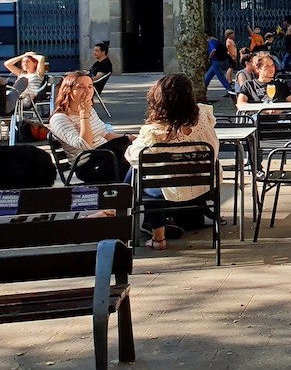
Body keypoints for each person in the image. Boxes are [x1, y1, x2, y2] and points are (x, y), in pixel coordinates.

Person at [125, 73, 219, 250]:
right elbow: (213, 149)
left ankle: (156, 236)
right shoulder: (203, 118)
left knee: (140, 172)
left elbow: (133, 156)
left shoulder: (154, 131)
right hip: (203, 186)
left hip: (167, 190)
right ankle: (118, 212)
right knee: (154, 174)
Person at [48, 71, 131, 182]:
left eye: (90, 87)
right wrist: (84, 115)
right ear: (68, 90)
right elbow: (85, 145)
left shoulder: (90, 110)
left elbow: (106, 135)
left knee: (137, 148)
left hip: (106, 156)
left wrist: (131, 138)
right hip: (89, 165)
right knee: (133, 157)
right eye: (81, 87)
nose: (87, 91)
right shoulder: (59, 118)